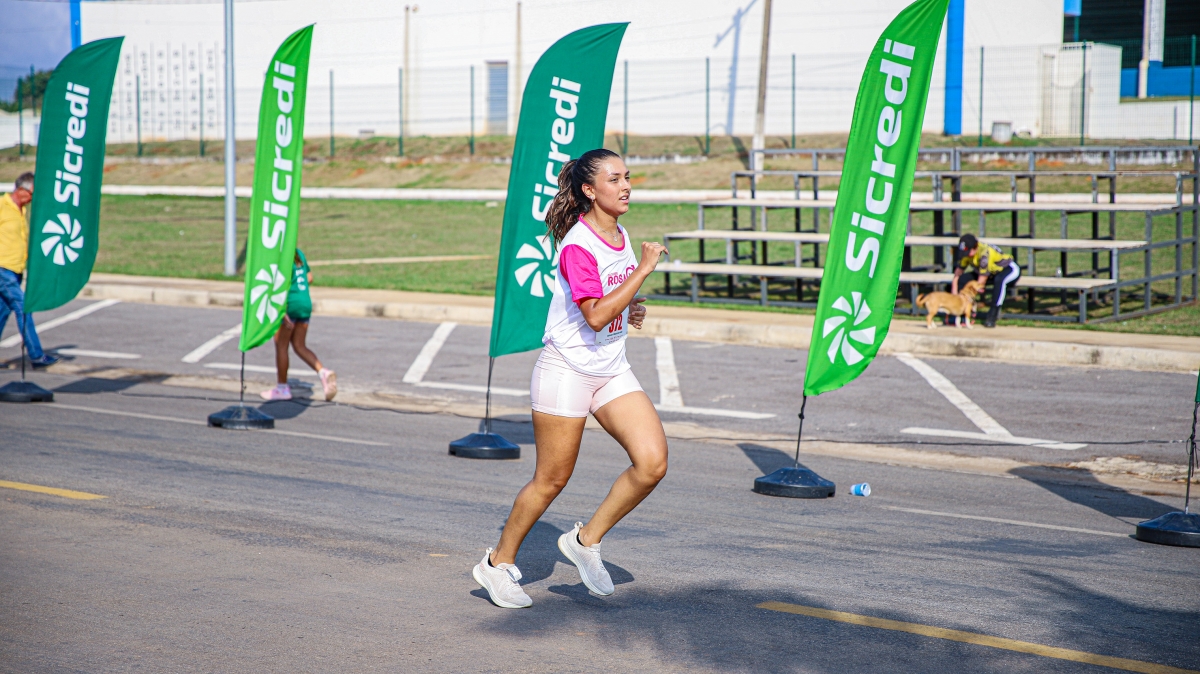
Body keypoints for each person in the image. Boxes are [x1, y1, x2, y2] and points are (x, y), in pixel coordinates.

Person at [473, 149, 670, 610]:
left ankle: (585, 541)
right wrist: (643, 271)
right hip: (567, 370)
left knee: (652, 464)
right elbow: (595, 314)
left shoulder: (618, 232)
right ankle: (497, 564)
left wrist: (630, 305)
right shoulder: (579, 244)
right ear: (589, 190)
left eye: (627, 177)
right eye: (614, 179)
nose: (625, 186)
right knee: (551, 480)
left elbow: (607, 300)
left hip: (610, 367)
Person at [260, 248, 337, 401]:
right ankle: (323, 372)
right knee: (299, 345)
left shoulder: (279, 254)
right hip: (304, 303)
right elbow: (309, 277)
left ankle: (282, 388)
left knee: (281, 345)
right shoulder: (299, 253)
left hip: (290, 303)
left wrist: (282, 310)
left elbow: (278, 284)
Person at [0, 173, 58, 368]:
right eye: (33, 193)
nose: (34, 198)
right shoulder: (2, 206)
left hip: (15, 270)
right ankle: (36, 355)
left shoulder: (21, 211)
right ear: (21, 190)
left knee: (2, 312)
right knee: (23, 306)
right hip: (2, 269)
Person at [951, 233, 1021, 328]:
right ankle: (961, 313)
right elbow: (957, 274)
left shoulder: (985, 253)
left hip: (1007, 269)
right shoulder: (967, 254)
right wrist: (955, 295)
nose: (966, 255)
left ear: (975, 247)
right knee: (963, 279)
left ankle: (992, 315)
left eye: (968, 252)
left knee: (999, 281)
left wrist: (971, 298)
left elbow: (981, 282)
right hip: (988, 273)